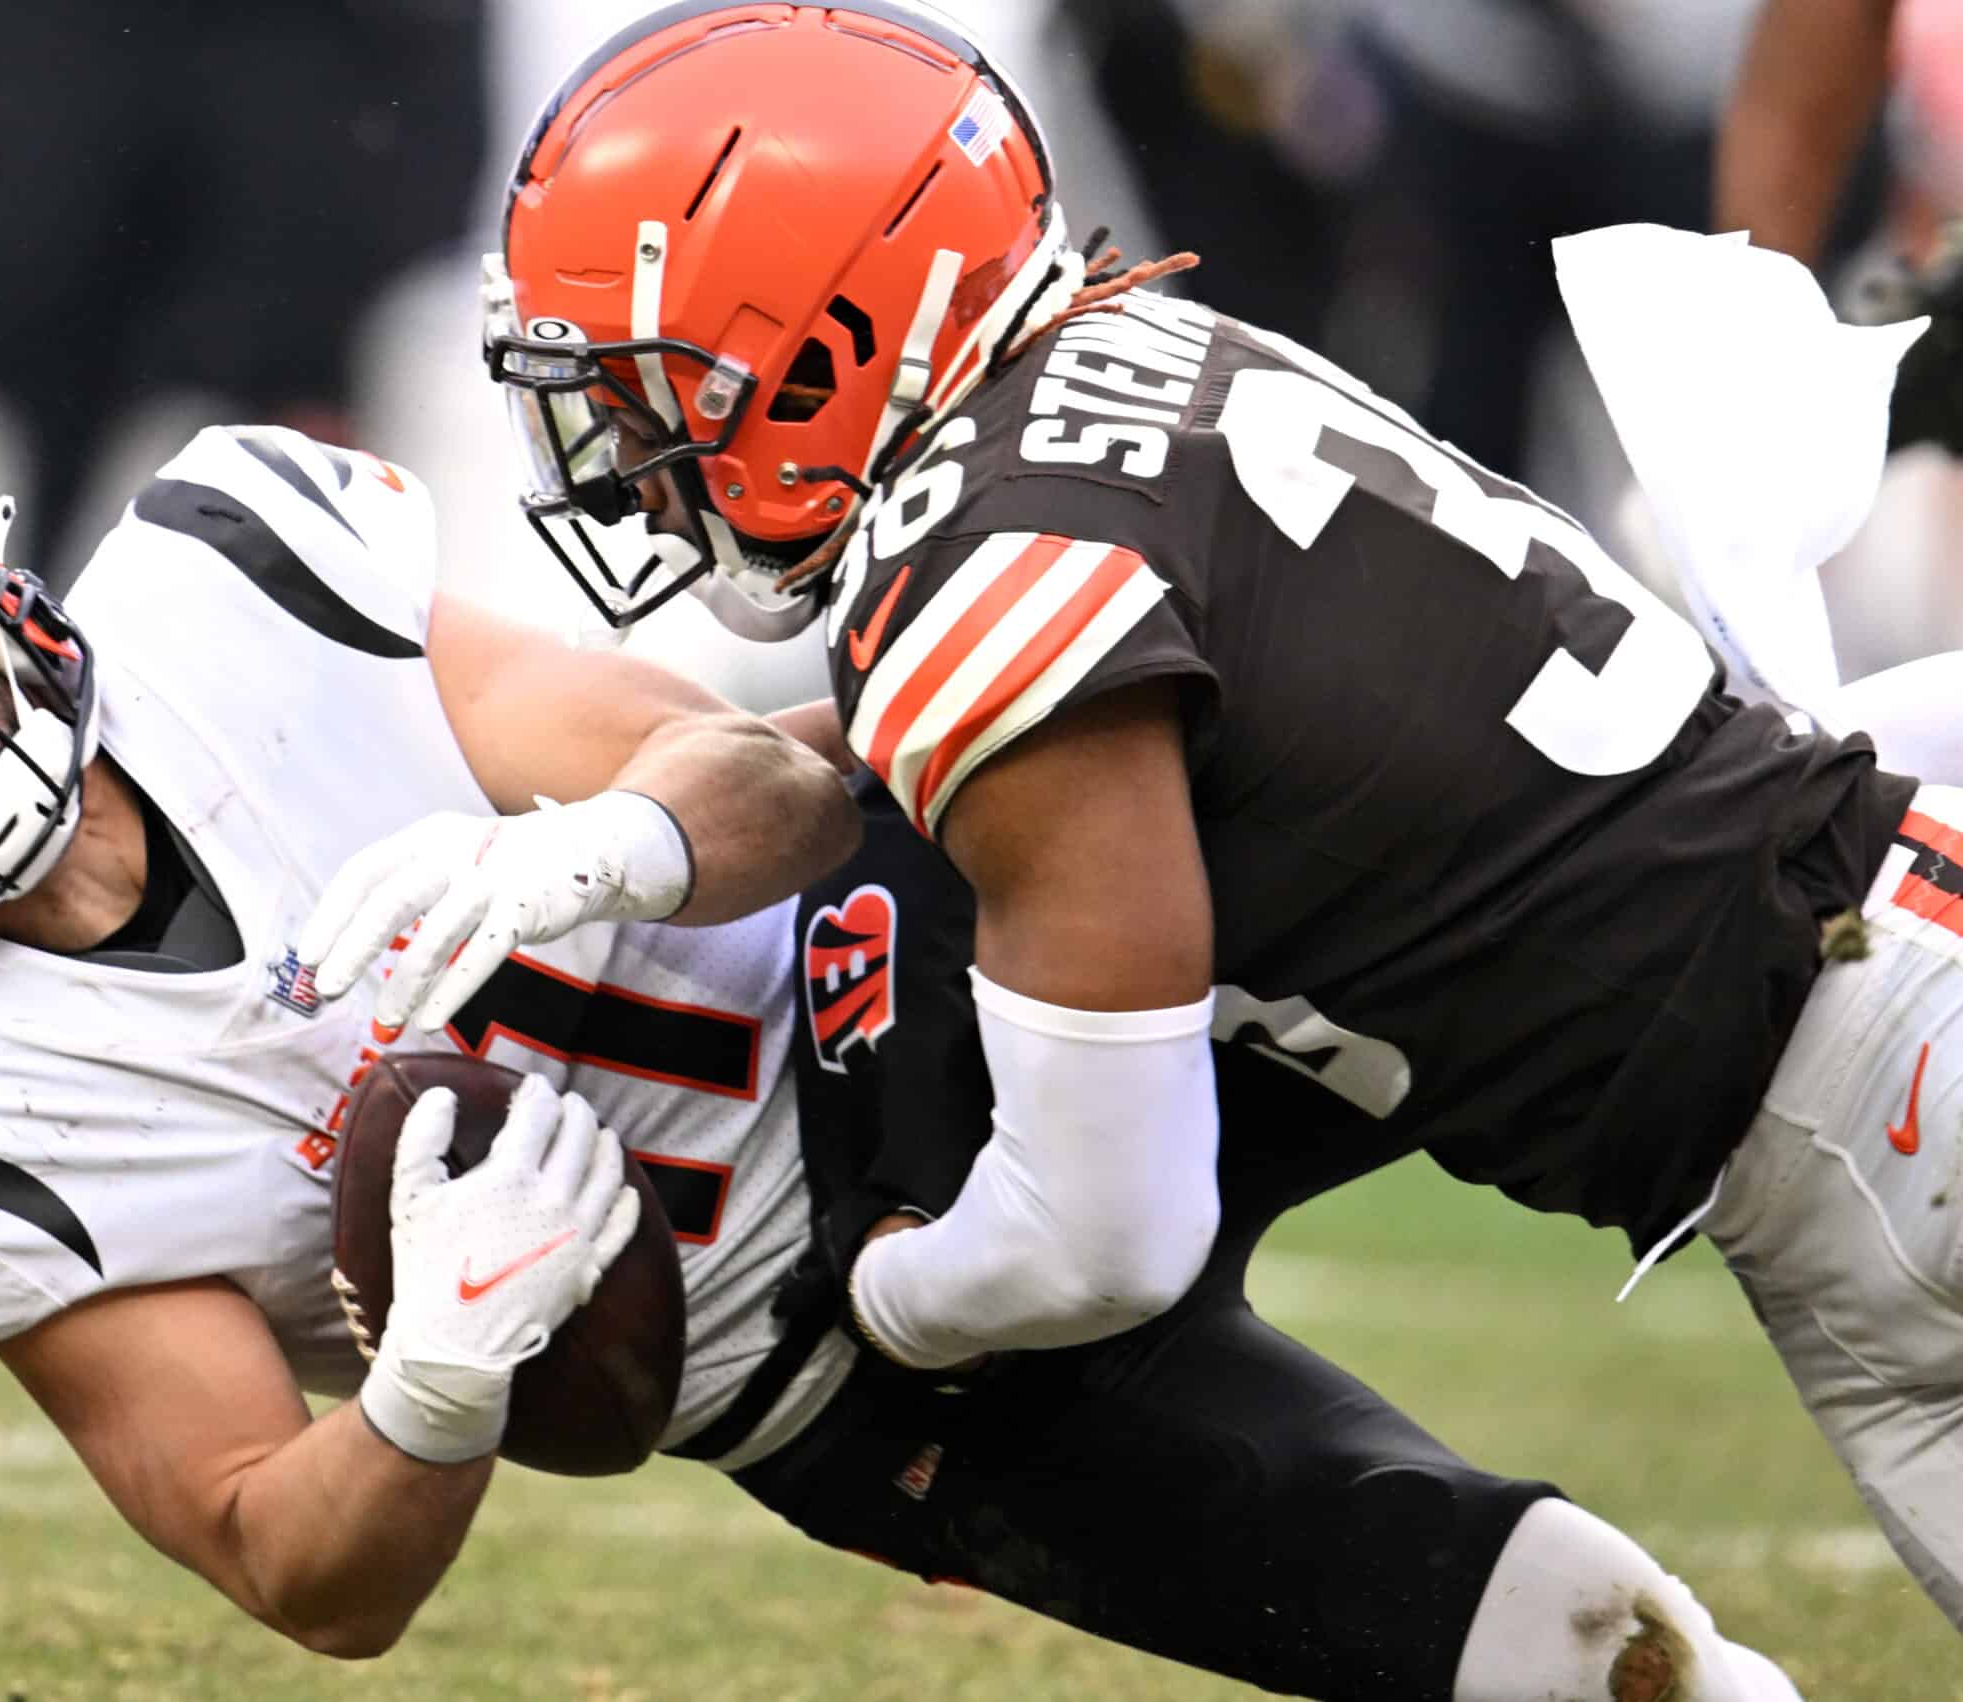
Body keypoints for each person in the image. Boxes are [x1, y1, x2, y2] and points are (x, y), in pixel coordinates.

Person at [0, 417, 1799, 1700]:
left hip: (919, 993)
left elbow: (777, 784)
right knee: (1575, 1646)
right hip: (849, 1388)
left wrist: (590, 854)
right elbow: (287, 1559)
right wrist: (431, 1380)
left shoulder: (229, 565)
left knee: (1557, 908)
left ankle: (1833, 854)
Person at [480, 0, 1963, 1643]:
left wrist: (888, 1289)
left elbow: (1103, 1237)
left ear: (824, 348)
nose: (628, 460)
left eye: (643, 392)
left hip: (1867, 1109)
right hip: (1868, 1033)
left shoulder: (981, 591)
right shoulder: (1130, 365)